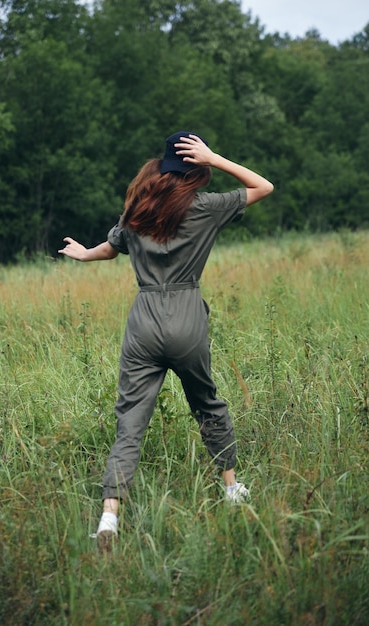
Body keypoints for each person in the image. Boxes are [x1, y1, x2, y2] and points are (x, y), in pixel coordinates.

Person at [58, 131, 273, 548]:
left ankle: (108, 519)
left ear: (162, 167)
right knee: (207, 403)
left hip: (144, 320)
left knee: (130, 421)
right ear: (197, 170)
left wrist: (84, 253)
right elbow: (262, 186)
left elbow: (111, 247)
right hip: (187, 315)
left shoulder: (138, 210)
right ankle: (231, 489)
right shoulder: (206, 207)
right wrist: (215, 157)